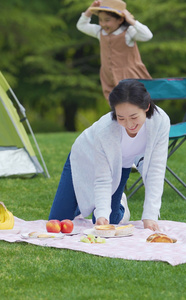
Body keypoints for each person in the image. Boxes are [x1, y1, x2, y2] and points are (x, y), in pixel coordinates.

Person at [48, 79, 169, 231]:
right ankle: (86, 203)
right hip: (83, 158)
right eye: (121, 118)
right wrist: (101, 214)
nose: (129, 124)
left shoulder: (161, 122)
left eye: (133, 117)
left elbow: (156, 170)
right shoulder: (105, 130)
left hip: (120, 164)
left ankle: (120, 205)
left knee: (108, 221)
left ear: (147, 107)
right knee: (57, 221)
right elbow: (103, 179)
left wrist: (150, 216)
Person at [77, 0, 153, 101]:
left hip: (129, 76)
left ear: (120, 20)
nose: (103, 24)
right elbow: (81, 25)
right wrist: (90, 10)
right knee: (116, 106)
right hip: (108, 77)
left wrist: (131, 20)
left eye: (107, 20)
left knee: (134, 104)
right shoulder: (100, 32)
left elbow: (147, 36)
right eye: (100, 20)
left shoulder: (128, 33)